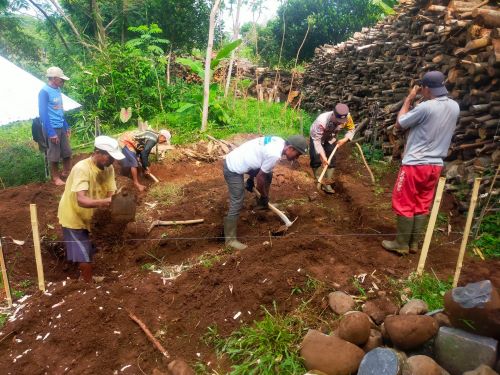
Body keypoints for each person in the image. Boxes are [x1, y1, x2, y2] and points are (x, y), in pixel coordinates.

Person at [382, 71, 459, 255]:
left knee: (404, 201)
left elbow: (400, 123)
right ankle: (413, 243)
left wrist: (409, 99)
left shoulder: (426, 107)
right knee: (422, 203)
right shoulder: (454, 106)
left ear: (425, 88)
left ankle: (401, 243)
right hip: (435, 165)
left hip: (415, 164)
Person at [57, 136, 125, 282]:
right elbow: (81, 200)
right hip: (73, 216)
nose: (112, 160)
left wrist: (114, 206)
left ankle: (85, 278)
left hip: (91, 216)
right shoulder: (82, 168)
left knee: (90, 249)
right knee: (84, 255)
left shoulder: (109, 168)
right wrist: (107, 202)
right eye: (109, 156)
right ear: (97, 152)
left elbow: (111, 193)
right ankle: (88, 288)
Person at [223, 135, 308, 250]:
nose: (296, 158)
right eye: (297, 154)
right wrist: (263, 195)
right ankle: (230, 240)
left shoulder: (279, 141)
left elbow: (260, 157)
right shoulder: (274, 154)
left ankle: (261, 206)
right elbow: (260, 178)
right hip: (232, 167)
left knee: (268, 173)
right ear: (290, 148)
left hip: (243, 159)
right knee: (238, 199)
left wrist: (250, 179)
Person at [309, 103, 355, 193]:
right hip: (317, 138)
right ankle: (319, 181)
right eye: (338, 120)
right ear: (333, 114)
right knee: (315, 157)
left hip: (331, 137)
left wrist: (345, 139)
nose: (340, 123)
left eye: (342, 121)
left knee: (331, 157)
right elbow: (317, 142)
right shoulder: (321, 121)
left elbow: (351, 129)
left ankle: (327, 183)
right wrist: (323, 156)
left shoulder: (347, 117)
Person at [38, 66, 72, 186]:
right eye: (61, 79)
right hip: (51, 126)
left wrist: (66, 125)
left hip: (61, 125)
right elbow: (43, 114)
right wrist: (51, 132)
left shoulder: (57, 90)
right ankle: (56, 178)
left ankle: (67, 173)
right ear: (54, 78)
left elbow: (59, 110)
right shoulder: (44, 92)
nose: (63, 82)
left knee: (67, 152)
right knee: (54, 154)